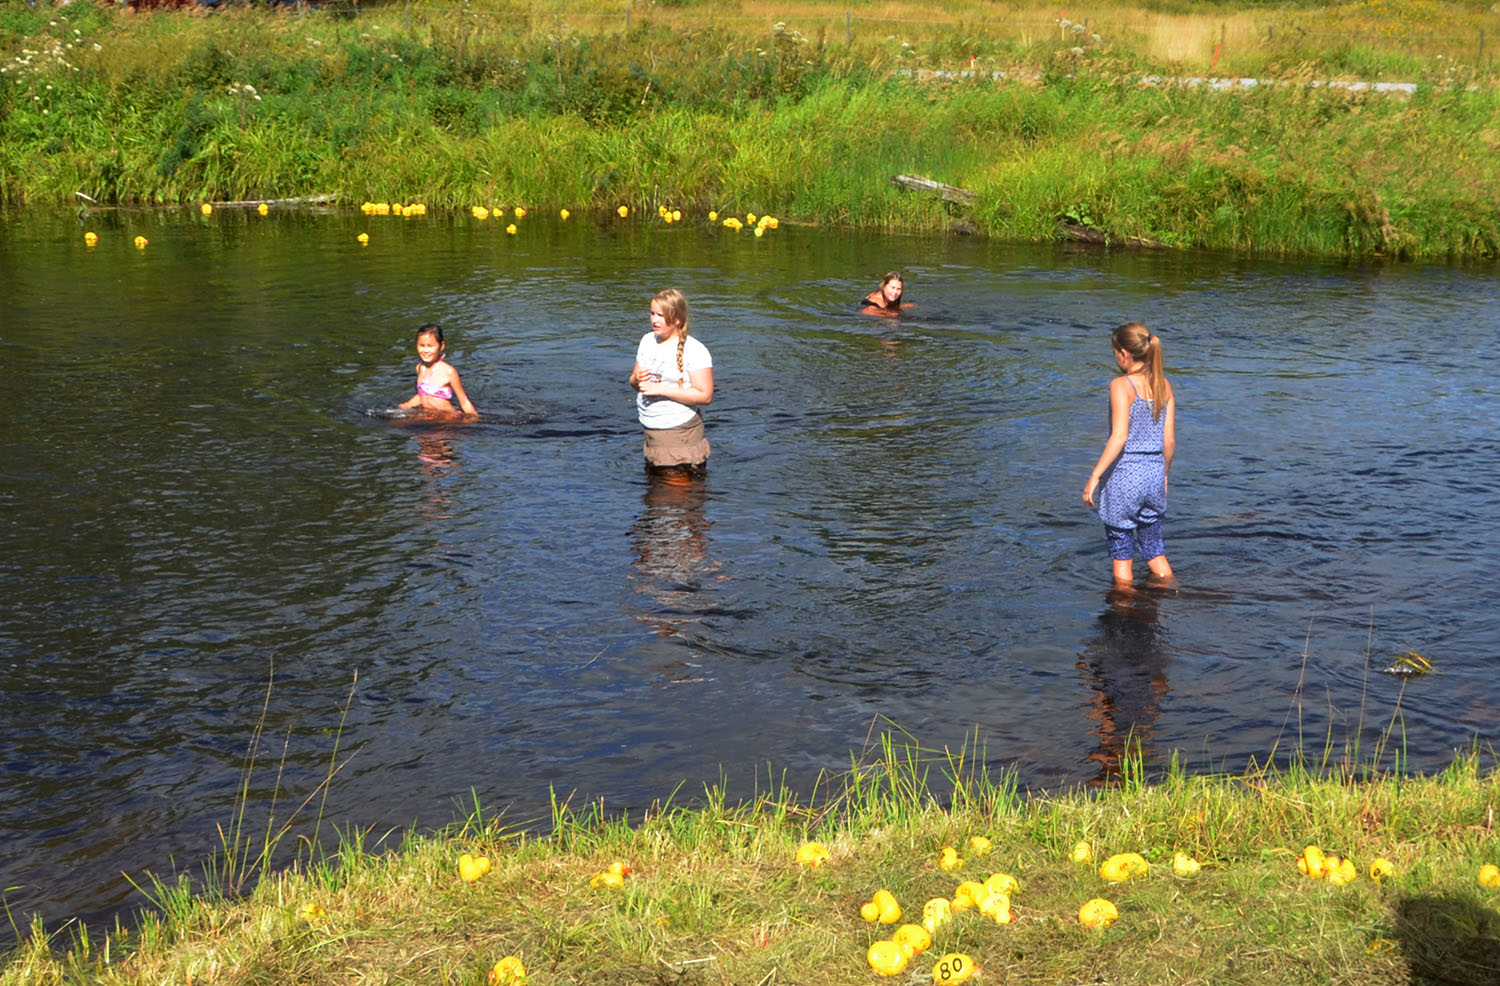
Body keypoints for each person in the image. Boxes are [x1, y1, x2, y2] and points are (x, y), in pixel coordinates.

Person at [1082, 321, 1175, 586]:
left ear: (1124, 354)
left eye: (1115, 353)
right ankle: (1171, 590)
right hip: (1154, 474)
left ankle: (1124, 611)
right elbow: (1168, 440)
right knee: (1153, 547)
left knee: (1121, 550)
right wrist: (1165, 473)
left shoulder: (1121, 385)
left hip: (1126, 476)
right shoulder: (1164, 386)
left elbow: (1119, 437)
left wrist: (1095, 476)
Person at [628, 289, 713, 472]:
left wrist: (660, 389)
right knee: (656, 496)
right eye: (652, 314)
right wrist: (636, 379)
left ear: (677, 319)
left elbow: (705, 396)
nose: (654, 320)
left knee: (674, 496)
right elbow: (635, 381)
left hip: (679, 433)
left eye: (661, 315)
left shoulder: (695, 350)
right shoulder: (647, 341)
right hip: (652, 432)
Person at [398, 323, 477, 416]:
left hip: (448, 418)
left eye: (430, 346)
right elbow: (423, 394)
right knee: (396, 424)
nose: (426, 350)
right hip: (428, 415)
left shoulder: (449, 372)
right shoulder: (420, 368)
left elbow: (464, 402)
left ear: (441, 346)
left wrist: (474, 417)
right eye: (422, 345)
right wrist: (407, 405)